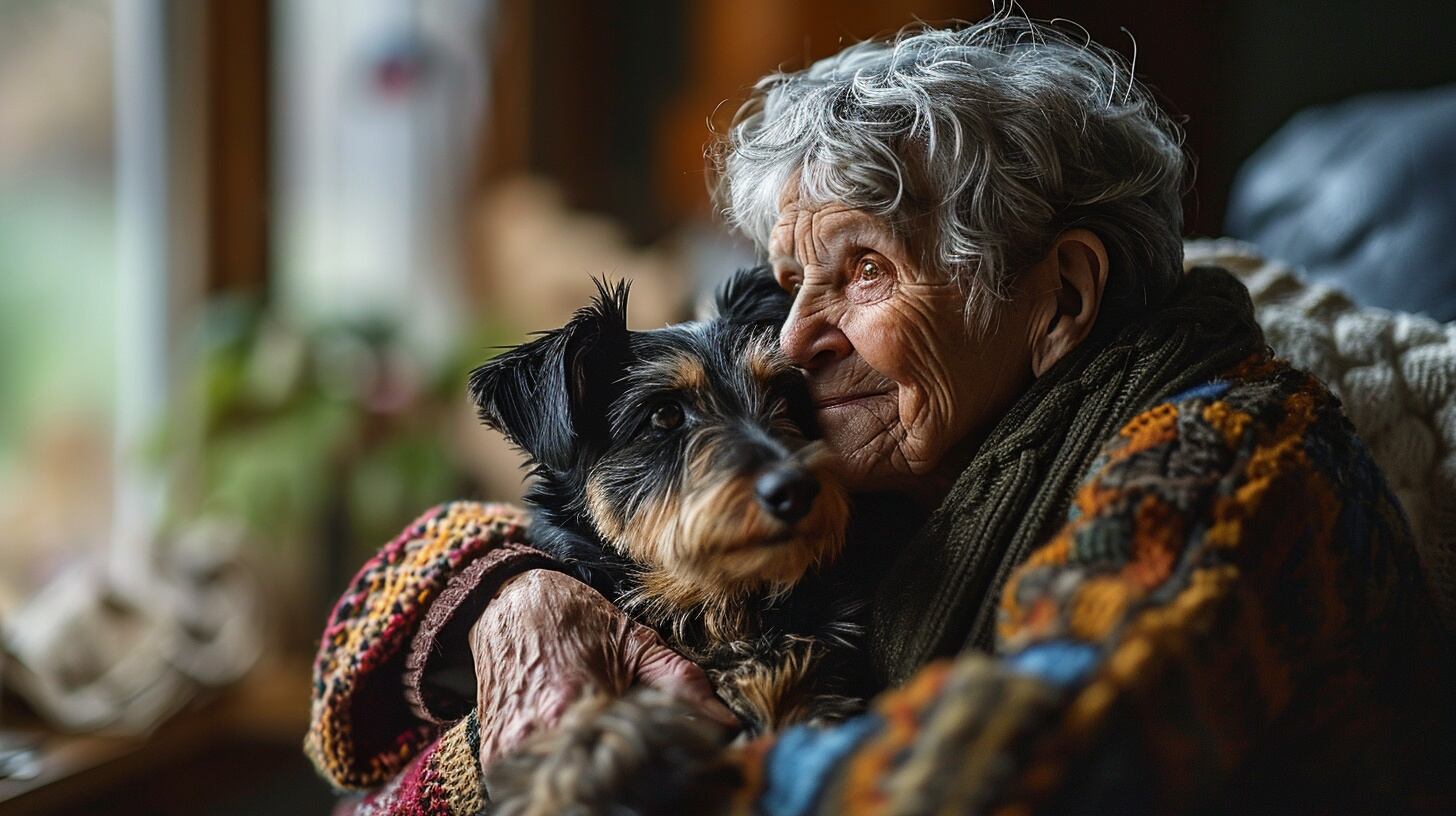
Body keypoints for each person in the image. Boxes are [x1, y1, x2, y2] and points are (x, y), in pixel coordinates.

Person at [305, 17, 1455, 814]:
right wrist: (518, 589)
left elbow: (1031, 766)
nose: (797, 337)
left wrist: (621, 781)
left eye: (860, 272)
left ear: (1059, 297)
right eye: (791, 276)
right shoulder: (929, 460)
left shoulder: (1223, 461)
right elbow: (563, 529)